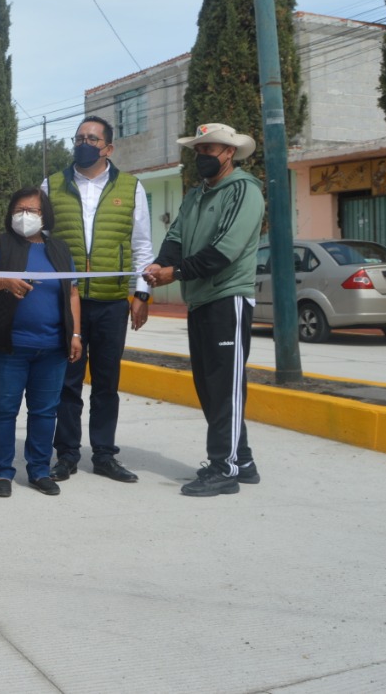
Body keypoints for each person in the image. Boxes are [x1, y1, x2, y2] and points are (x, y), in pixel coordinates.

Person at [142, 122, 265, 497]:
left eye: (209, 150)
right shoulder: (197, 195)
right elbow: (176, 238)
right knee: (210, 386)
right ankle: (242, 460)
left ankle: (223, 469)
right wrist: (160, 264)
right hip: (200, 300)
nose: (202, 157)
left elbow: (225, 251)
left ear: (229, 153)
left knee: (225, 387)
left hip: (228, 298)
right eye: (198, 150)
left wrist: (175, 273)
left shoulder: (244, 190)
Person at [43, 116, 153, 484]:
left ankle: (104, 454)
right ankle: (66, 455)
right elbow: (41, 242)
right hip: (68, 301)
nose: (84, 144)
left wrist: (142, 293)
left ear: (108, 147)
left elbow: (142, 245)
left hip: (111, 302)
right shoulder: (52, 185)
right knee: (67, 382)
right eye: (79, 138)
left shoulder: (131, 187)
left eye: (92, 139)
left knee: (106, 383)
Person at [0, 188, 82, 497]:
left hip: (52, 348)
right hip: (7, 347)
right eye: (19, 210)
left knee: (45, 411)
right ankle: (1, 472)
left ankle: (39, 470)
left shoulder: (59, 249)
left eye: (32, 211)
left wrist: (75, 334)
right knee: (3, 409)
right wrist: (5, 281)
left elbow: (73, 293)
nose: (24, 216)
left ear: (45, 215)